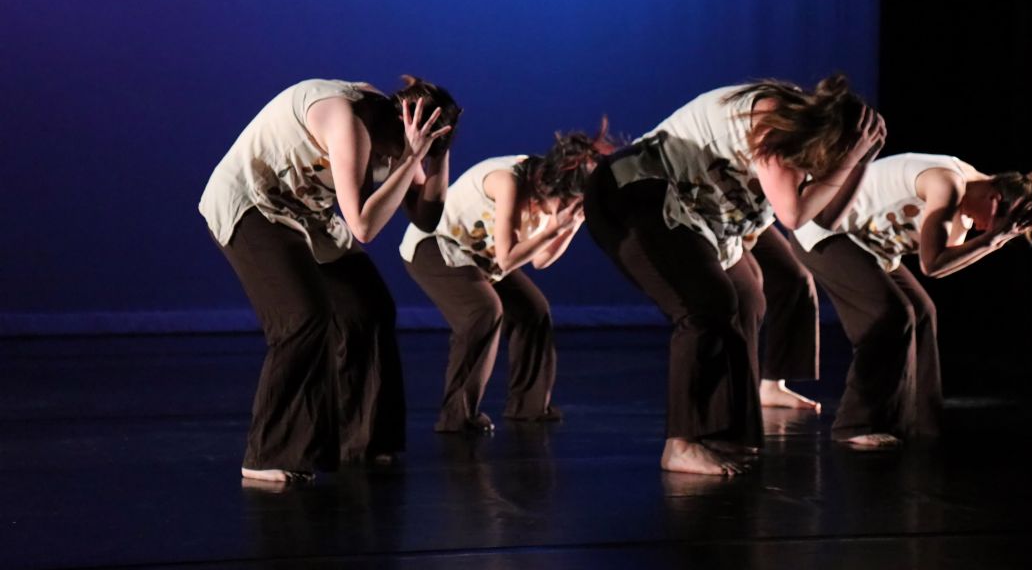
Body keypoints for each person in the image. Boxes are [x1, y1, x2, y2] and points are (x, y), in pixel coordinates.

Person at [583, 76, 884, 475]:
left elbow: (825, 215)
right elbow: (794, 214)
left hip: (701, 213)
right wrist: (852, 155)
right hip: (637, 193)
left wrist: (859, 161)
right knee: (705, 304)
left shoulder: (800, 133)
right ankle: (682, 443)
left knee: (748, 297)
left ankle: (724, 432)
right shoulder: (773, 120)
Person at [199, 76, 459, 482]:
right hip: (254, 200)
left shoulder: (402, 141)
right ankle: (267, 455)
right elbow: (363, 227)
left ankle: (363, 439)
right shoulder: (349, 120)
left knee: (369, 307)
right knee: (304, 317)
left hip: (306, 212)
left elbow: (425, 217)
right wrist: (411, 159)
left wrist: (438, 157)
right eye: (423, 140)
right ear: (402, 122)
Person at [787, 152, 1032, 449]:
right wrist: (991, 240)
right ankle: (855, 424)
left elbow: (942, 266)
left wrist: (994, 241)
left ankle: (920, 423)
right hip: (822, 230)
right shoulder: (947, 183)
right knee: (890, 314)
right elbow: (931, 264)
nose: (989, 229)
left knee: (922, 312)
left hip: (868, 248)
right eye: (1002, 223)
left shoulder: (966, 200)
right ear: (995, 198)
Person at [401, 124, 614, 433]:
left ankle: (529, 407)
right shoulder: (510, 181)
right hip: (436, 245)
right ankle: (456, 417)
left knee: (533, 309)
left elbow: (540, 260)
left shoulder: (557, 195)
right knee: (483, 311)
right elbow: (508, 257)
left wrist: (572, 223)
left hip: (481, 258)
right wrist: (555, 227)